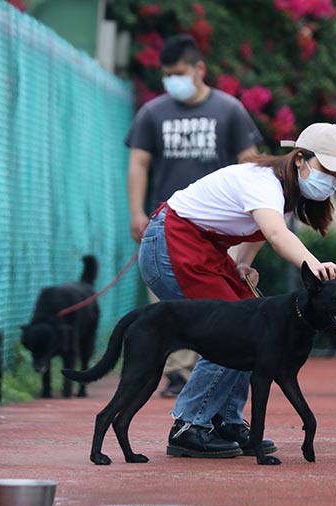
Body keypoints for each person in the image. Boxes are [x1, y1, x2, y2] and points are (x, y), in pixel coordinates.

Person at [137, 122, 336, 458]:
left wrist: (241, 265)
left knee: (253, 326)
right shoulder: (264, 181)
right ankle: (189, 424)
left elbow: (256, 234)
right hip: (170, 245)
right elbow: (275, 234)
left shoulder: (285, 191)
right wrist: (315, 266)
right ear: (300, 158)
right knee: (233, 331)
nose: (332, 181)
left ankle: (226, 419)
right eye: (327, 170)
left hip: (198, 248)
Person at [124, 34, 263, 397]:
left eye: (180, 72)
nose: (173, 80)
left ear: (199, 69)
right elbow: (138, 163)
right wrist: (137, 212)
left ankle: (206, 386)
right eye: (167, 74)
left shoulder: (229, 110)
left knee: (221, 311)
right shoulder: (153, 113)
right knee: (170, 306)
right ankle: (176, 373)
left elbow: (250, 166)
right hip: (170, 228)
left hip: (219, 231)